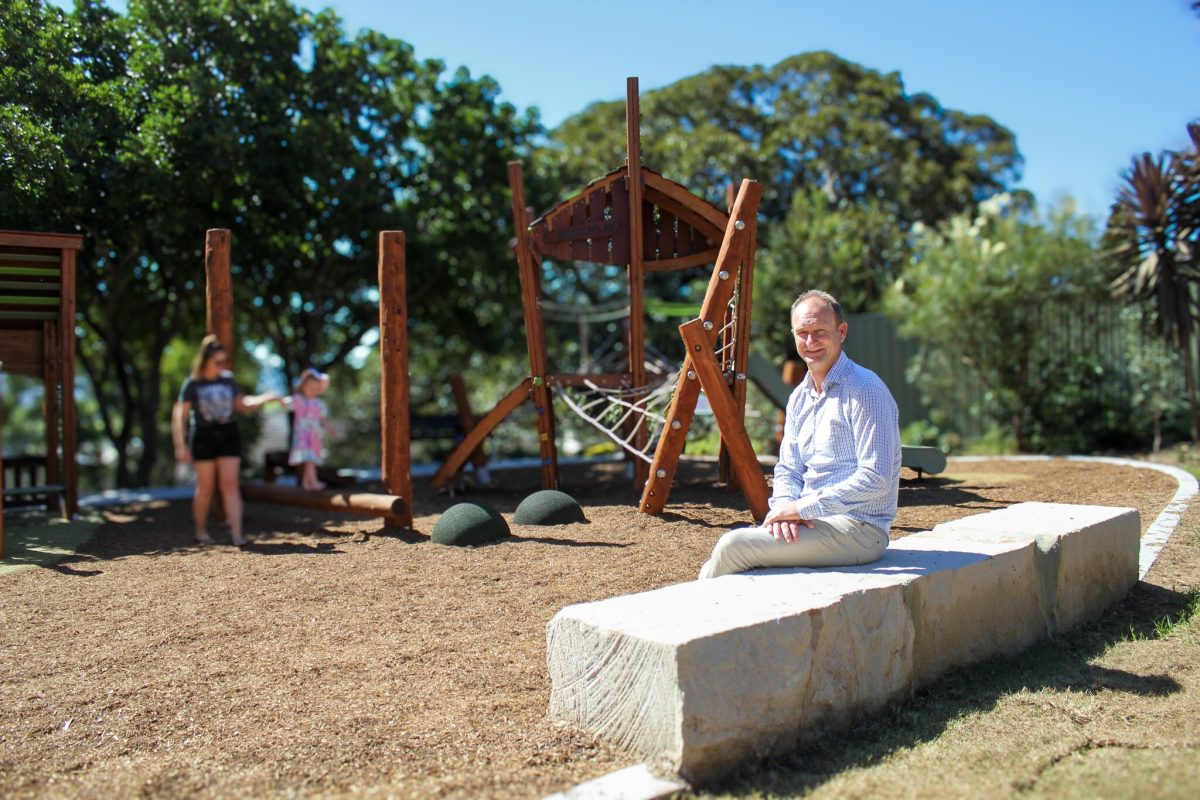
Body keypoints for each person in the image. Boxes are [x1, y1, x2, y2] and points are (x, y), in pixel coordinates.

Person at [699, 290, 901, 579]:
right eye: (802, 332)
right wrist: (784, 507)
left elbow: (876, 478)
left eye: (820, 331)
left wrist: (801, 508)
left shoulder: (865, 390)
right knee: (722, 562)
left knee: (734, 546)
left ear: (841, 332)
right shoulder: (799, 398)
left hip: (860, 529)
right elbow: (788, 469)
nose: (810, 342)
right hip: (810, 523)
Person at [172, 335, 279, 546]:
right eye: (217, 362)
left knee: (230, 484)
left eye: (224, 361)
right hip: (203, 437)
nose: (222, 366)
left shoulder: (227, 379)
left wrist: (264, 398)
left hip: (229, 434)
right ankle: (200, 531)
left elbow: (242, 404)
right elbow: (179, 416)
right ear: (205, 361)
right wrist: (180, 445)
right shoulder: (192, 384)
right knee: (205, 487)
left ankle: (237, 535)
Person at [282, 367, 331, 491]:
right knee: (309, 460)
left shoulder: (318, 403)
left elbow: (322, 419)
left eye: (315, 388)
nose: (313, 391)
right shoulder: (299, 400)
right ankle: (313, 482)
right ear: (302, 387)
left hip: (313, 436)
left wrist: (330, 428)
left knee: (310, 459)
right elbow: (286, 403)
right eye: (310, 388)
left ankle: (305, 483)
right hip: (303, 436)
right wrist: (277, 399)